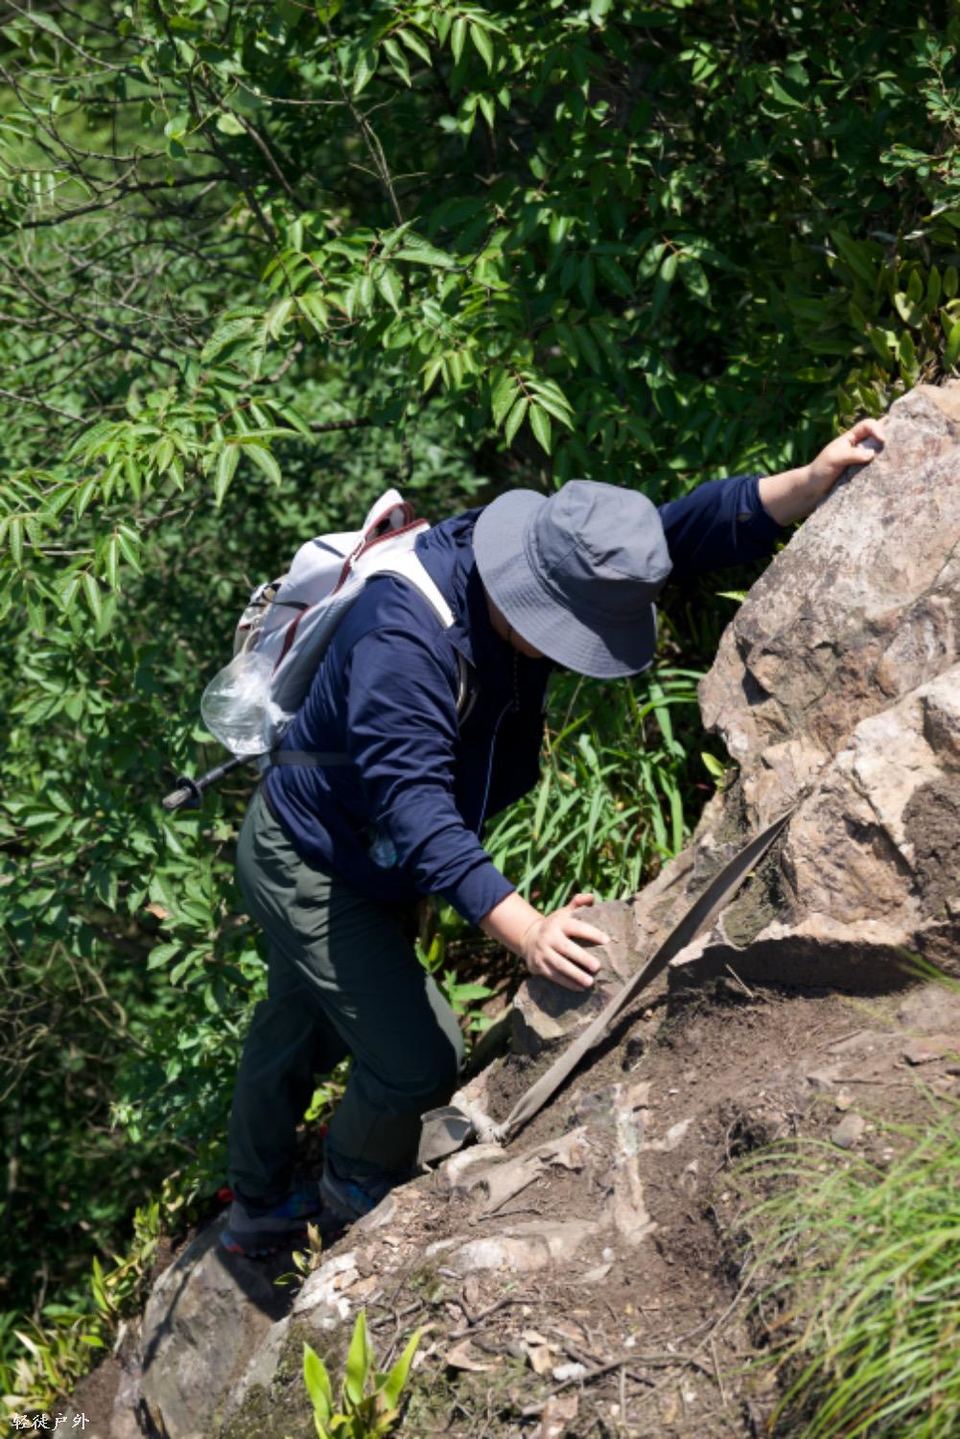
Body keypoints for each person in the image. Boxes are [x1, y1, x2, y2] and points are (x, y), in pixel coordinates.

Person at [220, 419, 884, 1256]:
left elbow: (669, 536)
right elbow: (416, 808)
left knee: (299, 1020)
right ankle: (349, 1192)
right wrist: (528, 929)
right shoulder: (404, 638)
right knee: (419, 1056)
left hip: (365, 849)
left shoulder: (554, 549)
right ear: (528, 596)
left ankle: (252, 1200)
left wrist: (807, 482)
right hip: (310, 854)